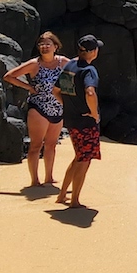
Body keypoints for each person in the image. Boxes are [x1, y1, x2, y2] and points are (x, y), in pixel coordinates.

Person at [3, 31, 68, 187]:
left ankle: (49, 177)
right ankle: (35, 180)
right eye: (41, 44)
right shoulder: (34, 64)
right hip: (38, 107)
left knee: (51, 144)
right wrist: (28, 87)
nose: (44, 47)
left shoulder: (64, 62)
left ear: (56, 46)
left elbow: (79, 72)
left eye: (48, 44)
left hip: (58, 108)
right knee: (36, 145)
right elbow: (9, 76)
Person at [56, 35, 102, 208]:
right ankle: (74, 200)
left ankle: (62, 195)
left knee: (78, 157)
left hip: (71, 120)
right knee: (84, 160)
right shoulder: (89, 70)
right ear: (92, 52)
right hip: (85, 122)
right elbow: (90, 92)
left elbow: (56, 90)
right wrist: (93, 113)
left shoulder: (70, 65)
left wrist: (69, 105)